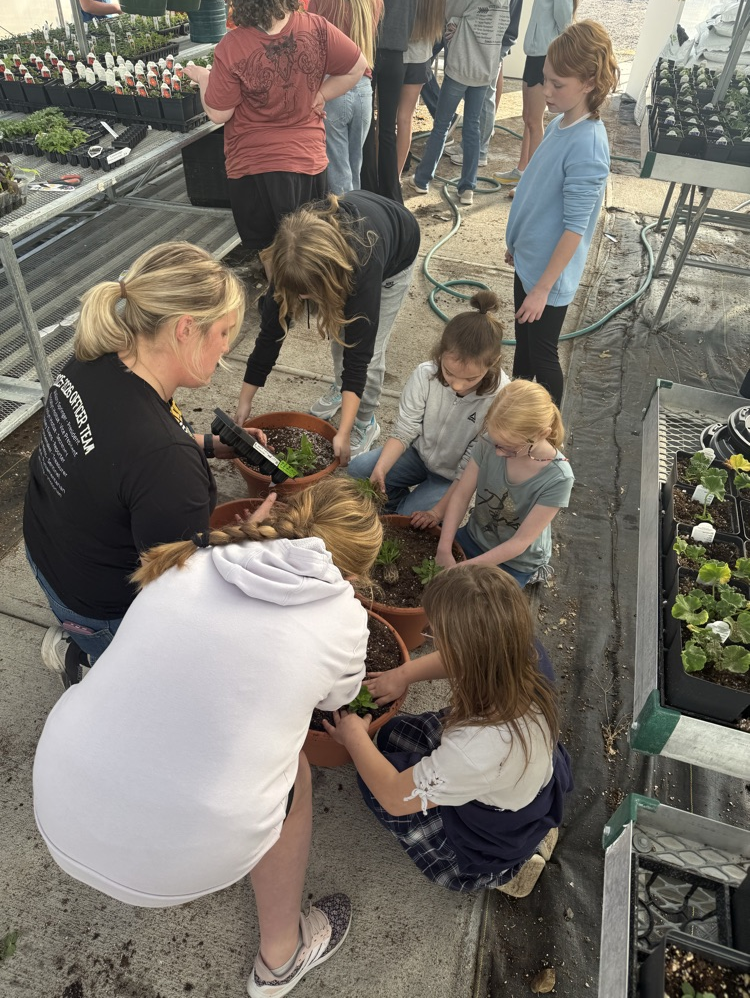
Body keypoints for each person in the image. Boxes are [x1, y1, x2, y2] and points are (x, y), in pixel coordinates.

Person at [33, 478, 383, 998]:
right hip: (180, 852)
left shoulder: (193, 558)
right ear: (352, 573)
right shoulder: (343, 616)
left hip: (59, 799)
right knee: (297, 773)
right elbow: (335, 700)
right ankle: (280, 958)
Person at [23, 242, 256, 685]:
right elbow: (173, 594)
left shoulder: (95, 358)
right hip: (97, 604)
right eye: (224, 332)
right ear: (186, 328)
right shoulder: (167, 465)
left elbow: (114, 457)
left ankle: (79, 637)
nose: (226, 347)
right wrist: (251, 534)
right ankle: (89, 661)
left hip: (47, 551)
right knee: (158, 677)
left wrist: (207, 444)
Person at [324, 565, 574, 894]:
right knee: (389, 737)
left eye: (435, 634)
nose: (430, 637)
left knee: (373, 786)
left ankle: (508, 872)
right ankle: (532, 832)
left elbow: (397, 799)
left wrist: (353, 737)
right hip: (517, 779)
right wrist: (403, 674)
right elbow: (461, 657)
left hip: (485, 832)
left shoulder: (479, 749)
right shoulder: (522, 652)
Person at [237, 191, 421, 464]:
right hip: (349, 242)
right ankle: (342, 388)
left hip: (395, 256)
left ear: (329, 279)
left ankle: (365, 422)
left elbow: (359, 355)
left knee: (365, 351)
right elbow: (270, 333)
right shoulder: (291, 258)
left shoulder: (363, 266)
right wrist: (244, 401)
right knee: (339, 339)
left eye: (309, 294)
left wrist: (343, 433)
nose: (301, 301)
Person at [185, 0, 368, 273]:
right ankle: (301, 303)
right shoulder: (317, 27)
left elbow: (219, 113)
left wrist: (203, 79)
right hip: (307, 160)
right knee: (306, 250)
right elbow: (357, 66)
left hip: (255, 165)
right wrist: (322, 94)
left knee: (271, 251)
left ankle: (278, 303)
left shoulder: (233, 45)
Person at [504, 19, 619, 406]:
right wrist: (517, 243)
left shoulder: (587, 145)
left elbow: (574, 228)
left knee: (543, 355)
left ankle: (549, 433)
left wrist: (541, 289)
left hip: (548, 281)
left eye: (557, 84)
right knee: (524, 346)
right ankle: (518, 412)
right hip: (530, 261)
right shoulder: (560, 124)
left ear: (588, 82)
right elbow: (537, 193)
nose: (546, 91)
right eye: (545, 79)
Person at [347, 289, 509, 515]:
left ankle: (404, 509)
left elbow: (472, 463)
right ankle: (394, 504)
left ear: (493, 363)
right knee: (359, 470)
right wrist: (381, 469)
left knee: (412, 517)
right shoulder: (425, 374)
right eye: (449, 372)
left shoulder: (500, 398)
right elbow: (405, 429)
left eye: (471, 378)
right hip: (417, 454)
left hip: (451, 476)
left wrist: (439, 511)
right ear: (441, 354)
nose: (457, 385)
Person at [435, 379, 574, 587]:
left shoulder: (558, 478)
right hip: (474, 537)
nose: (498, 452)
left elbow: (520, 542)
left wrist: (463, 568)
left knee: (475, 609)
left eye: (509, 448)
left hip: (515, 562)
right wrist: (444, 548)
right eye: (496, 443)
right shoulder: (489, 442)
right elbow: (461, 495)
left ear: (542, 434)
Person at [407, 0, 511, 207]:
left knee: (442, 125)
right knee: (472, 126)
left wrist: (456, 21)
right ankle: (467, 188)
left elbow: (448, 9)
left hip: (461, 64)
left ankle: (422, 179)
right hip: (485, 67)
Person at [494, 0, 576, 185]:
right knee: (527, 116)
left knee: (534, 120)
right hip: (535, 53)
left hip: (545, 55)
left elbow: (565, 21)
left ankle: (531, 180)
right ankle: (522, 169)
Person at [308, 0, 383, 195]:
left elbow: (312, 43)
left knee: (338, 174)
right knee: (354, 168)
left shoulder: (322, 1)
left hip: (332, 85)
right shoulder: (374, 1)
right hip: (364, 86)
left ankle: (344, 221)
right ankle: (354, 218)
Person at [448, 0, 523, 168]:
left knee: (486, 94)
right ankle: (468, 147)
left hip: (495, 39)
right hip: (491, 36)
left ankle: (480, 151)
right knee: (478, 94)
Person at [360, 0, 417, 203]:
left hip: (369, 50)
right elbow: (411, 18)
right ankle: (391, 194)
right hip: (396, 54)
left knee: (367, 125)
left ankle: (366, 188)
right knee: (387, 128)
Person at [396, 0, 445, 176]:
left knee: (386, 121)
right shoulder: (434, 5)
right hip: (420, 57)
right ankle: (395, 177)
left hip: (395, 54)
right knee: (405, 119)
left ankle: (384, 174)